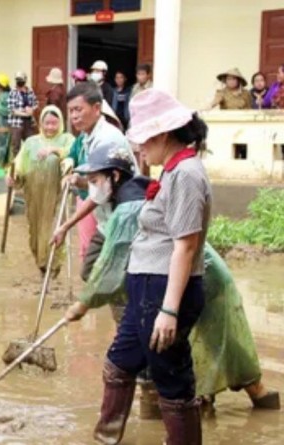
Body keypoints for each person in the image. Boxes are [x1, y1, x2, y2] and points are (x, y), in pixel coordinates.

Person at [64, 145, 280, 417]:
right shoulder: (139, 191)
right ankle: (257, 399)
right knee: (212, 340)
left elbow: (109, 269)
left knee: (204, 343)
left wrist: (82, 305)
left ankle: (243, 398)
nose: (92, 188)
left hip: (196, 277)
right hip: (194, 273)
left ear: (115, 177)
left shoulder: (129, 209)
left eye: (95, 181)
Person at [84, 89, 211, 444]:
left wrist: (169, 310)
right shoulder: (171, 172)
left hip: (164, 291)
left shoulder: (186, 174)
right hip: (146, 289)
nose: (139, 149)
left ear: (163, 134)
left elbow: (185, 246)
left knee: (170, 376)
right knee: (119, 363)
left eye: (143, 141)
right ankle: (104, 439)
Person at [53, 82, 137, 269]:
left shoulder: (107, 139)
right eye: (71, 111)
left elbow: (100, 193)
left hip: (122, 218)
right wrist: (77, 179)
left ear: (97, 108)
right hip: (107, 219)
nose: (74, 116)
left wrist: (66, 226)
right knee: (91, 270)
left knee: (108, 275)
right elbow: (96, 184)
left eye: (78, 110)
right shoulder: (85, 138)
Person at [5, 105, 74, 278]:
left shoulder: (67, 139)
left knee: (53, 229)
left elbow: (73, 155)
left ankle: (54, 265)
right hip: (34, 195)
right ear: (41, 124)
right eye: (47, 123)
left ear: (60, 124)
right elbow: (20, 163)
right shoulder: (31, 142)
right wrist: (13, 176)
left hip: (56, 194)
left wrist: (54, 150)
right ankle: (42, 264)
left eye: (54, 124)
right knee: (35, 233)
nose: (50, 127)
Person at [6, 71, 38, 157]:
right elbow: (12, 109)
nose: (19, 81)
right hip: (16, 123)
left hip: (28, 122)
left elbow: (35, 103)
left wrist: (32, 109)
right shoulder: (13, 92)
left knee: (31, 144)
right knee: (16, 146)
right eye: (17, 79)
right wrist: (25, 113)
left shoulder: (30, 91)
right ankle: (16, 166)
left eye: (21, 79)